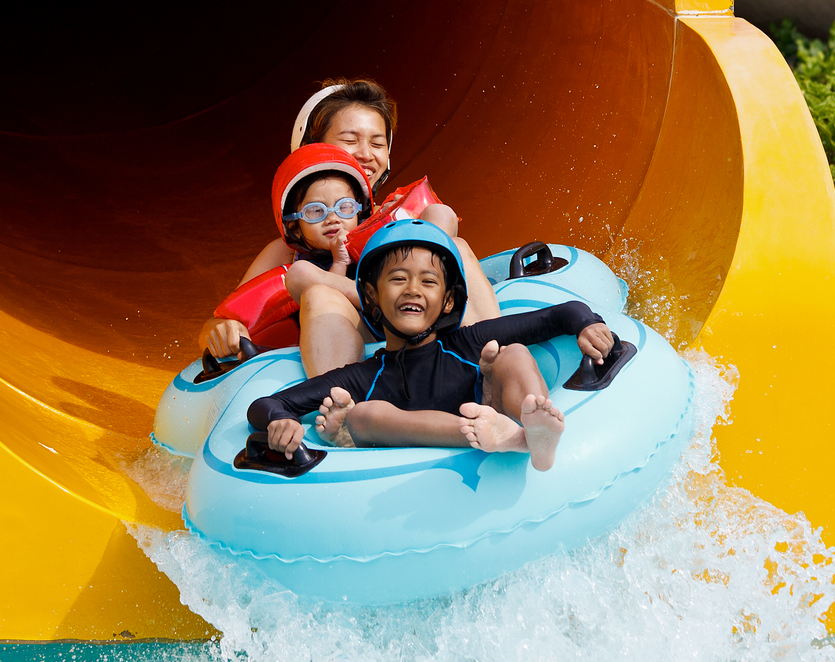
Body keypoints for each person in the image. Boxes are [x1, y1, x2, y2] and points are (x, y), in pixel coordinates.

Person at [247, 220, 613, 471]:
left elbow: (559, 315)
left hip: (501, 413)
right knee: (361, 415)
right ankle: (505, 436)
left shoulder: (469, 341)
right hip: (471, 436)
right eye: (398, 279)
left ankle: (537, 438)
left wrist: (587, 324)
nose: (413, 290)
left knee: (513, 353)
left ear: (449, 302)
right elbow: (267, 404)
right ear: (371, 295)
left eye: (428, 282)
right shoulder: (364, 377)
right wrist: (280, 420)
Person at [199, 78, 502, 373]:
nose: (366, 154)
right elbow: (225, 319)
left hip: (427, 322)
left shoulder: (404, 222)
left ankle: (492, 363)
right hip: (360, 346)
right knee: (318, 291)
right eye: (349, 140)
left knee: (456, 247)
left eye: (377, 143)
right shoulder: (288, 250)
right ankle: (341, 404)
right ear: (311, 148)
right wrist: (225, 330)